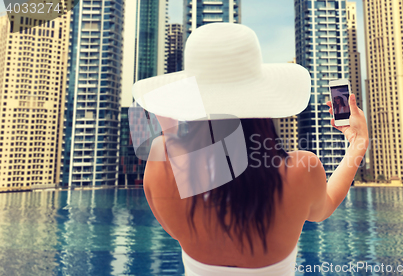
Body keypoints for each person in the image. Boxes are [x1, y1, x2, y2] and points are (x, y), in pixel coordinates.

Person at [132, 23, 369, 275]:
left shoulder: (164, 164)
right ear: (262, 98)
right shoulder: (301, 171)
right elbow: (326, 205)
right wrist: (358, 143)